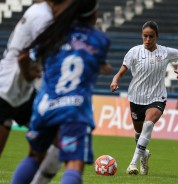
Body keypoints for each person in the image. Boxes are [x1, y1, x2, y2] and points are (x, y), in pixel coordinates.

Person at [10, 0, 112, 183]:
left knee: (34, 156)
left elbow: (24, 57)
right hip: (75, 109)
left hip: (44, 106)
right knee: (73, 165)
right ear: (93, 14)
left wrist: (28, 74)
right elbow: (95, 60)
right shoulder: (100, 40)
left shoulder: (53, 34)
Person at [0, 0, 73, 183]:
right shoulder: (43, 17)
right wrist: (30, 74)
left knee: (57, 136)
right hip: (5, 92)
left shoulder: (41, 13)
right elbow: (24, 58)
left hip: (19, 94)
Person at [110, 20, 178, 175]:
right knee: (138, 133)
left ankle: (133, 163)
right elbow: (120, 72)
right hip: (136, 97)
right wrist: (115, 81)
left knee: (148, 125)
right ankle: (144, 155)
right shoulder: (134, 52)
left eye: (151, 37)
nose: (147, 40)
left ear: (157, 37)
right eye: (145, 36)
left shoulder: (165, 52)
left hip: (157, 97)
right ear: (141, 36)